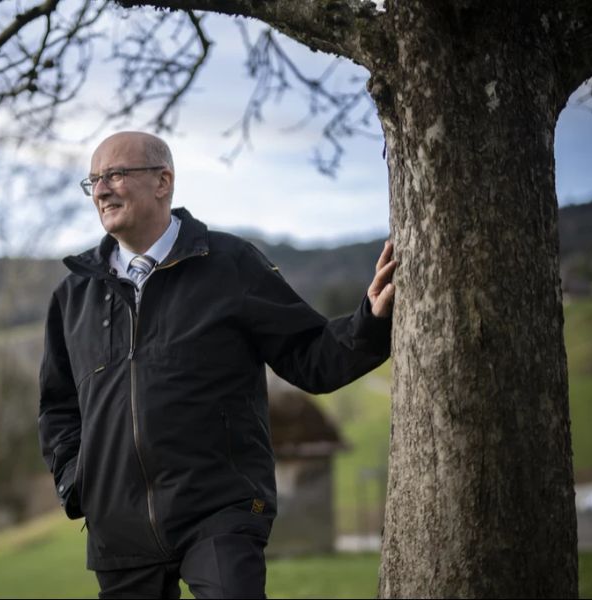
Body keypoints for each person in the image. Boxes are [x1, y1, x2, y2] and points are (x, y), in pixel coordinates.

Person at [38, 131, 396, 599]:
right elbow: (57, 407)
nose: (102, 189)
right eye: (94, 181)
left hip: (218, 509)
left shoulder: (230, 264)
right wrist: (76, 482)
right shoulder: (73, 297)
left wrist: (370, 321)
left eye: (116, 174)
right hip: (118, 528)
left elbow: (310, 357)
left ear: (163, 181)